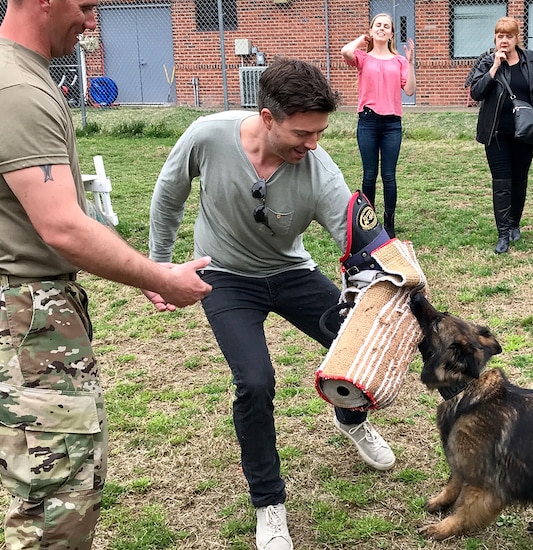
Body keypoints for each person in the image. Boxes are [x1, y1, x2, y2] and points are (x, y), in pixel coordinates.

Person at [147, 57, 396, 550]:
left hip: (290, 272)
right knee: (256, 382)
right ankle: (269, 504)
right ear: (267, 117)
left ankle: (350, 418)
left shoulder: (319, 169)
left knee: (355, 342)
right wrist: (160, 267)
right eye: (303, 133)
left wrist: (398, 279)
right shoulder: (207, 136)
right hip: (226, 276)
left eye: (320, 132)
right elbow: (168, 196)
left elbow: (360, 236)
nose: (314, 144)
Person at [0, 0, 212, 548]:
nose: (93, 20)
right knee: (57, 506)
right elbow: (62, 226)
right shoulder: (19, 91)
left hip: (32, 306)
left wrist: (135, 270)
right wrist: (163, 278)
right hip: (29, 319)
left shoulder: (21, 76)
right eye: (86, 5)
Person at [469, 17, 533, 254]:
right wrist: (495, 67)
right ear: (495, 38)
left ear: (517, 38)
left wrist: (525, 106)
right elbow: (476, 92)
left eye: (508, 36)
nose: (504, 40)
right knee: (501, 182)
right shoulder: (487, 62)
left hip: (524, 130)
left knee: (519, 179)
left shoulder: (532, 59)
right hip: (496, 132)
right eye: (500, 36)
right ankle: (503, 233)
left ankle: (515, 223)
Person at [341, 13, 416, 238]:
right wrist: (362, 39)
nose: (382, 28)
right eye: (378, 26)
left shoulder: (399, 61)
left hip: (392, 124)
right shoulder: (363, 58)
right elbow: (346, 52)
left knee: (389, 176)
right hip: (368, 122)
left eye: (386, 26)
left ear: (392, 33)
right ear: (372, 30)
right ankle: (370, 223)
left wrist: (410, 64)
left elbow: (410, 90)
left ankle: (389, 223)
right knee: (369, 175)